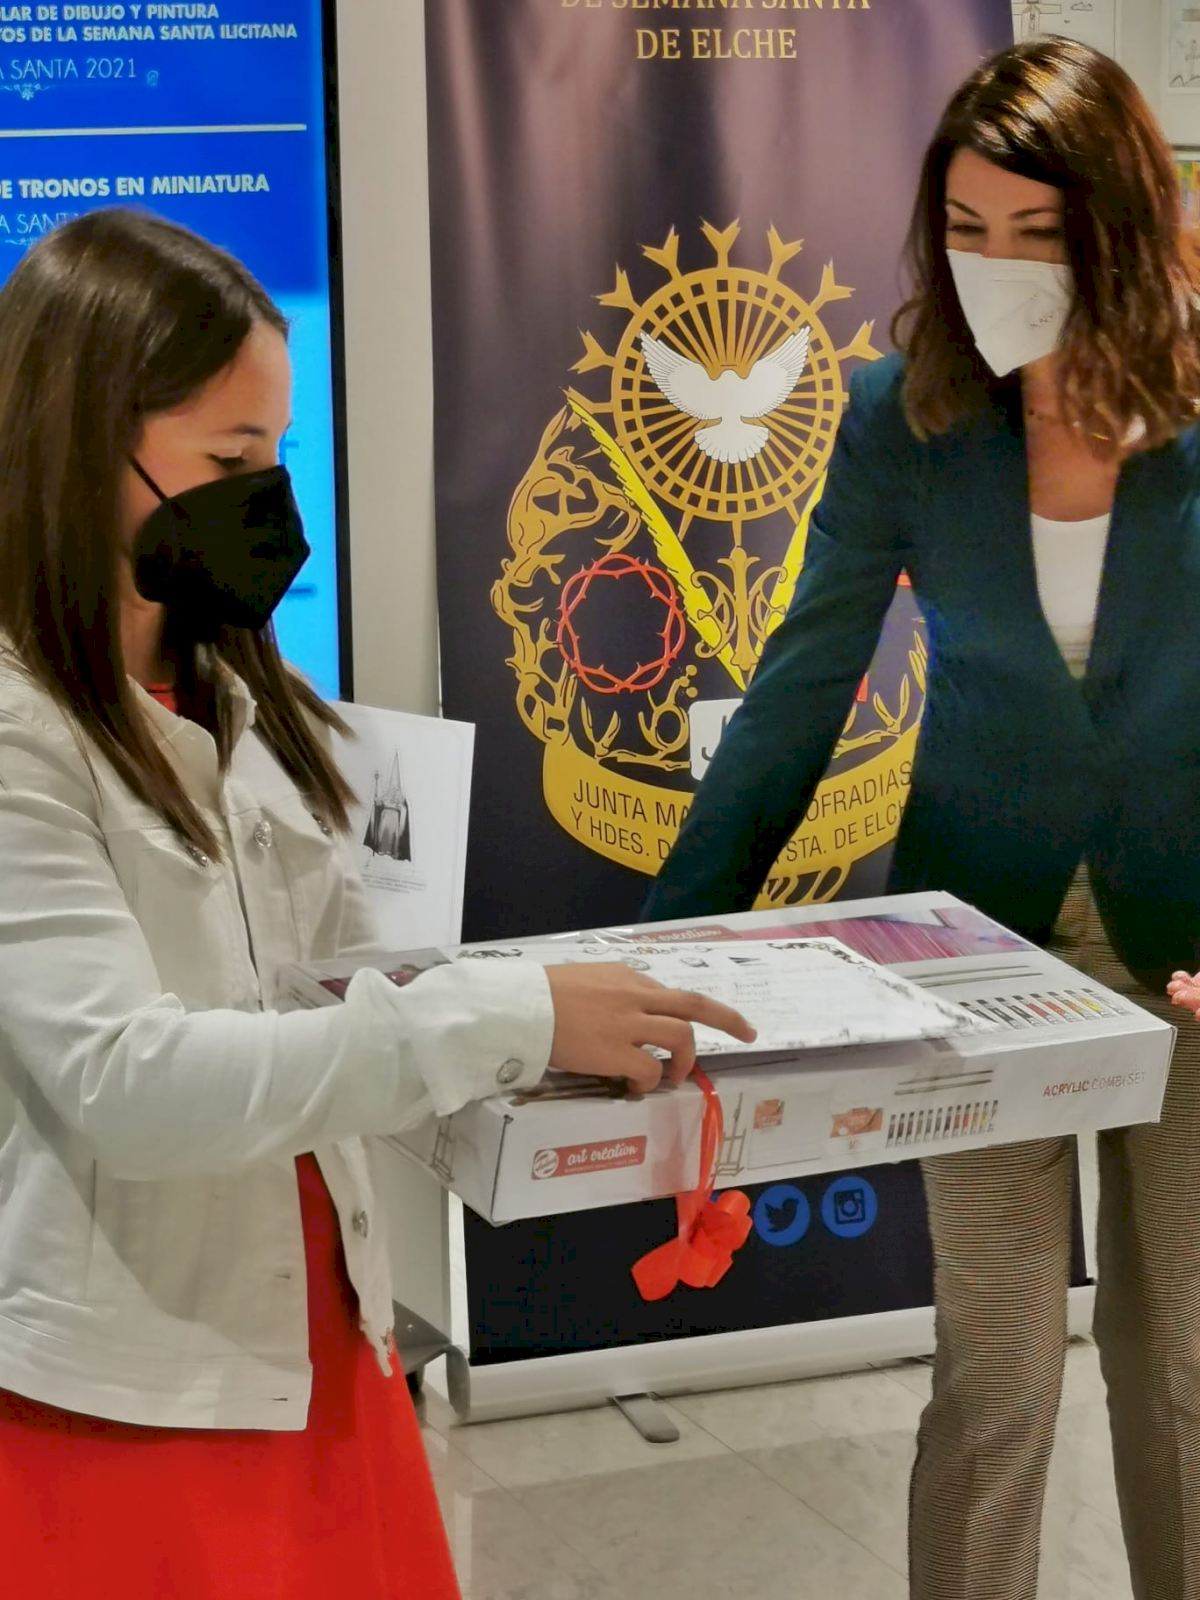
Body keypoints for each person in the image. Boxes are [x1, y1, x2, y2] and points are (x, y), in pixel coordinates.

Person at [0, 209, 755, 1600]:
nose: (266, 500)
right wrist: (501, 1022)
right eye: (230, 461)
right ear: (77, 441)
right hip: (131, 1389)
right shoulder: (21, 733)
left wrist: (541, 1055)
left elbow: (334, 995)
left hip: (322, 1328)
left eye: (277, 456)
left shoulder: (248, 690)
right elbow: (126, 1082)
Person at [644, 38, 1200, 1600]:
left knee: (1183, 1367)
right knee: (997, 1369)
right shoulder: (906, 418)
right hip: (979, 946)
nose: (997, 265)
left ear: (1119, 230)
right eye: (966, 229)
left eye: (1037, 232)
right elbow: (801, 693)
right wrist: (665, 946)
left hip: (1189, 937)